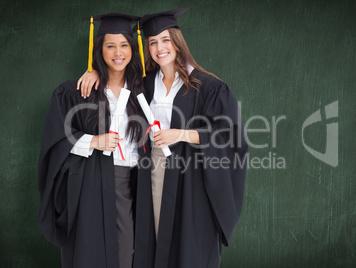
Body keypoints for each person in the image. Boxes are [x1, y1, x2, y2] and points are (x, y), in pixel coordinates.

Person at [77, 7, 248, 268]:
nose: (160, 48)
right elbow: (117, 81)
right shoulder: (145, 84)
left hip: (193, 174)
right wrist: (96, 72)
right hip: (153, 171)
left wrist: (180, 134)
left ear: (178, 42)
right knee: (155, 238)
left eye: (166, 40)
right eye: (153, 42)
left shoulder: (208, 87)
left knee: (191, 243)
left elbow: (229, 135)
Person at [38, 13, 145, 268]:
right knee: (88, 253)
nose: (118, 52)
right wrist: (93, 141)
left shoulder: (143, 91)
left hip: (128, 184)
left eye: (124, 45)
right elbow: (55, 139)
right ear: (100, 49)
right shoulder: (76, 92)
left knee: (127, 254)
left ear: (132, 48)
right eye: (110, 45)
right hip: (88, 183)